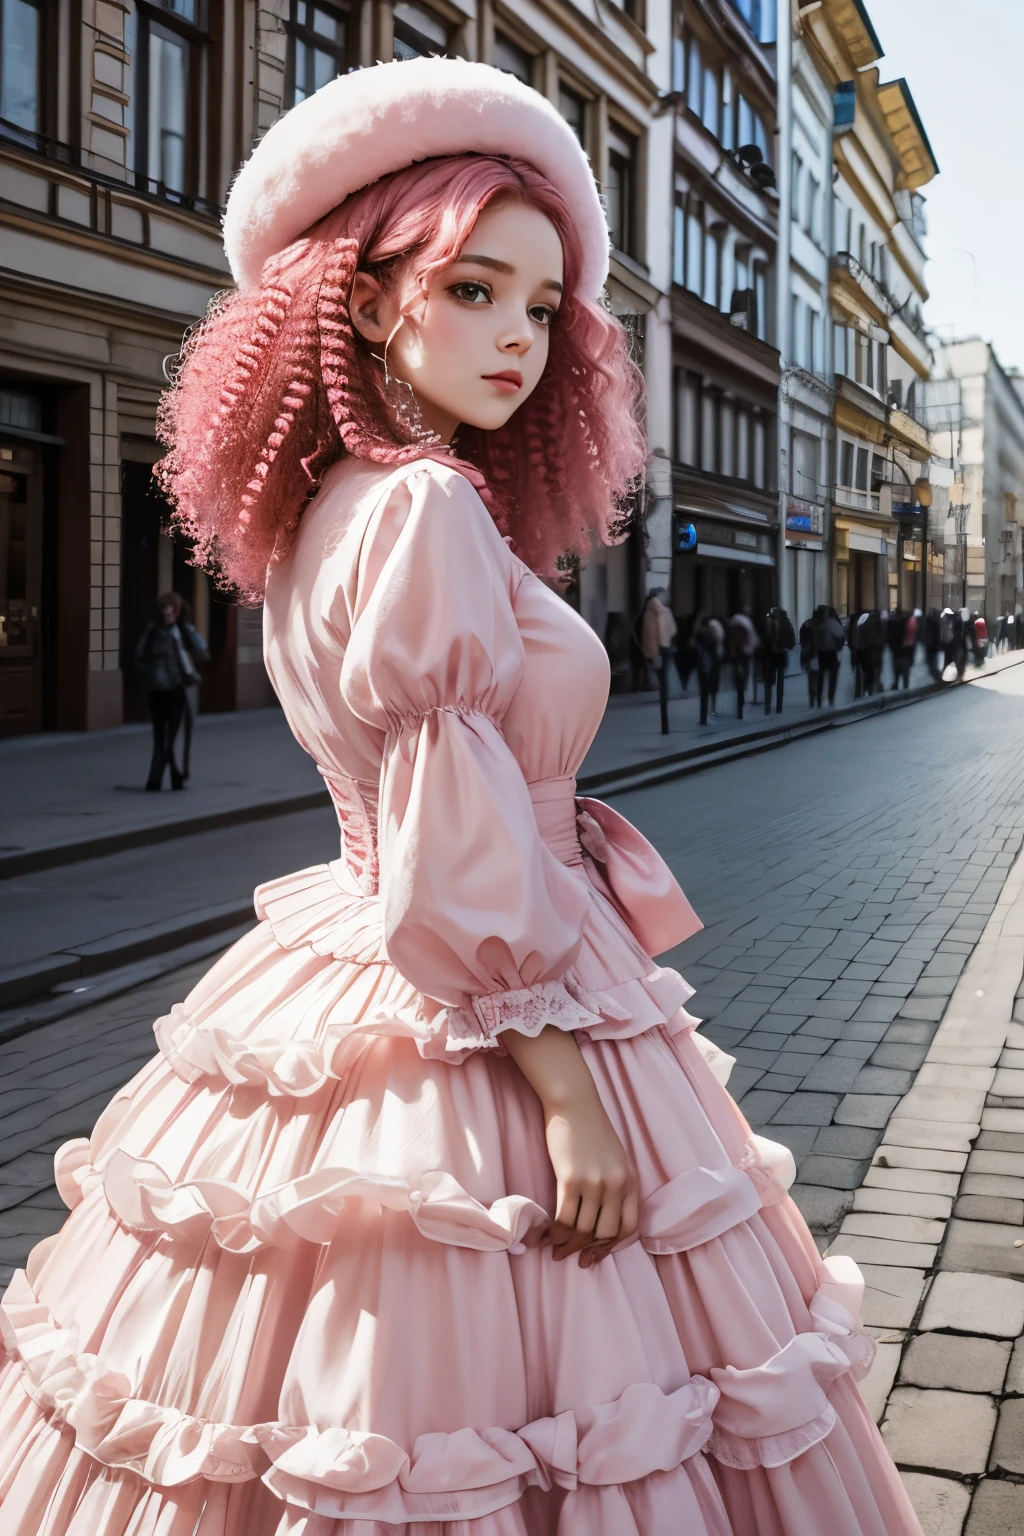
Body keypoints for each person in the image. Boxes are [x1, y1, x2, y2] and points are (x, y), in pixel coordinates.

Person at [0, 60, 924, 1536]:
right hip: (493, 997)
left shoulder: (328, 509)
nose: (519, 339)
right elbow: (459, 833)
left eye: (544, 308)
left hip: (362, 961)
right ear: (365, 300)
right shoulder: (425, 502)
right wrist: (571, 1104)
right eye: (475, 288)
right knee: (558, 1412)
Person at [133, 590, 203, 790]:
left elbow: (139, 656)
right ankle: (165, 778)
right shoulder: (173, 631)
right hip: (171, 688)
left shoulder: (158, 630)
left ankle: (167, 778)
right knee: (166, 736)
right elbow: (200, 651)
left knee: (165, 736)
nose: (168, 612)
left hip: (162, 688)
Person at [176, 595, 210, 780]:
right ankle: (173, 769)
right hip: (169, 685)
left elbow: (202, 651)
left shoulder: (186, 630)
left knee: (187, 726)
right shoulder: (158, 630)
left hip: (186, 683)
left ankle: (182, 769)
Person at [640, 586, 676, 734]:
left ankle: (665, 725)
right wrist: (662, 646)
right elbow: (666, 630)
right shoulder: (659, 609)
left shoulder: (648, 610)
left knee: (663, 685)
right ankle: (665, 726)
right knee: (664, 686)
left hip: (656, 651)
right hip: (662, 650)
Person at [762, 603, 796, 714]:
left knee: (770, 682)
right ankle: (777, 708)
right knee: (777, 682)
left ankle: (769, 708)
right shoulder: (785, 622)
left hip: (773, 655)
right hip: (779, 654)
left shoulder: (771, 623)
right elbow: (791, 639)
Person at [727, 606, 758, 719]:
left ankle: (740, 702)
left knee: (739, 680)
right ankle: (741, 702)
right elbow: (753, 641)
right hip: (744, 653)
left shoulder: (735, 623)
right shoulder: (746, 624)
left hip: (738, 654)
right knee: (743, 679)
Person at [810, 603, 845, 705]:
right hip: (828, 652)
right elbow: (840, 633)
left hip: (827, 652)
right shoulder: (823, 622)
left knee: (825, 676)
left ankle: (826, 698)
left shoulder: (824, 622)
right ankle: (827, 698)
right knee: (828, 676)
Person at [692, 609, 720, 725]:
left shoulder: (699, 633)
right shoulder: (712, 632)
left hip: (703, 664)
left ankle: (703, 718)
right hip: (711, 664)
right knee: (710, 690)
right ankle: (710, 712)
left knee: (703, 692)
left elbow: (697, 649)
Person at [798, 613, 819, 706]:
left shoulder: (806, 624)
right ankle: (816, 696)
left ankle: (812, 697)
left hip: (808, 655)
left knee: (811, 676)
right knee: (817, 676)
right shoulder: (819, 625)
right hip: (817, 654)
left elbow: (802, 640)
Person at [925, 606, 943, 679]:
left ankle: (937, 677)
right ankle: (937, 678)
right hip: (934, 648)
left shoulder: (927, 622)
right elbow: (938, 636)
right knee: (933, 664)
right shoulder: (936, 623)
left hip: (929, 647)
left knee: (931, 664)